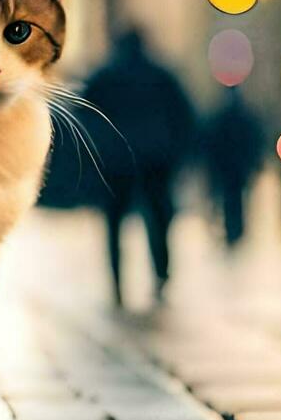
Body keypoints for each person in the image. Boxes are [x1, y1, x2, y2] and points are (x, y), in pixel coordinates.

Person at [81, 27, 196, 307]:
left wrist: (97, 146)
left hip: (117, 160)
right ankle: (161, 275)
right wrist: (179, 153)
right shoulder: (161, 75)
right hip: (155, 158)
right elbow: (185, 115)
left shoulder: (107, 75)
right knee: (158, 221)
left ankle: (118, 284)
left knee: (114, 224)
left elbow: (83, 111)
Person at [201, 86, 265, 247]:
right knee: (236, 199)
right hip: (235, 166)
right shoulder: (243, 118)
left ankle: (234, 230)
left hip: (229, 166)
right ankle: (236, 230)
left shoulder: (220, 117)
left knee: (231, 199)